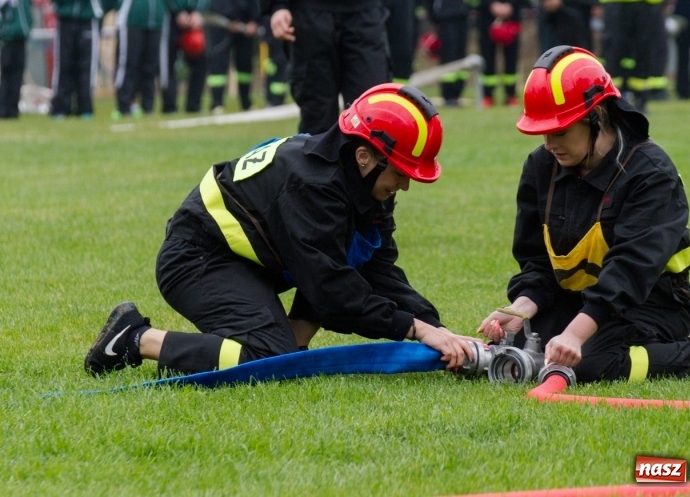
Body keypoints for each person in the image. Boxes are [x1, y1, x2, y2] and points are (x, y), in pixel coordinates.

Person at [85, 83, 477, 378]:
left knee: (336, 276)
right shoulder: (312, 186)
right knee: (269, 357)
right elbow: (330, 291)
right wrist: (413, 327)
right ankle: (134, 338)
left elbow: (377, 269)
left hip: (245, 261)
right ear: (364, 156)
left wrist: (439, 329)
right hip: (196, 259)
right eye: (401, 173)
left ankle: (271, 347)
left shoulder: (358, 181)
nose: (405, 185)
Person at [477, 46, 690, 384]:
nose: (548, 144)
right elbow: (537, 262)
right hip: (575, 298)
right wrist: (522, 308)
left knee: (589, 365)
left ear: (597, 115)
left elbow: (630, 272)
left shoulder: (651, 172)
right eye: (542, 131)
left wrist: (575, 334)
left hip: (652, 302)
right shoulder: (541, 166)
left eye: (559, 131)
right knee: (506, 352)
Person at [251, 0, 391, 135]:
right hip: (309, 7)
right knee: (317, 110)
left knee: (372, 110)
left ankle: (371, 160)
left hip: (365, 3)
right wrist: (276, 5)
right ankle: (318, 160)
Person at [46, 0, 105, 119]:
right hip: (65, 21)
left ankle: (85, 107)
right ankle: (60, 108)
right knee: (64, 64)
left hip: (87, 20)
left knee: (86, 65)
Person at [111, 0, 170, 118]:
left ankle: (148, 107)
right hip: (131, 19)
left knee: (150, 66)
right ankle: (124, 106)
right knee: (129, 64)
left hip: (155, 19)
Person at [468, 0, 528, 107]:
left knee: (512, 56)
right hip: (486, 14)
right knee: (487, 54)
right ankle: (487, 95)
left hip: (512, 14)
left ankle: (511, 95)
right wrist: (491, 4)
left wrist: (511, 5)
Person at [206, 0, 260, 114]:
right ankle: (216, 103)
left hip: (246, 25)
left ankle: (246, 103)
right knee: (219, 63)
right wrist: (230, 19)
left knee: (245, 64)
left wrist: (254, 20)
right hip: (223, 23)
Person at [417, 0, 471, 106]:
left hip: (462, 17)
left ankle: (458, 92)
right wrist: (435, 19)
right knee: (448, 55)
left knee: (461, 55)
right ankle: (448, 95)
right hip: (445, 19)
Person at [160, 0, 209, 113]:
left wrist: (198, 11)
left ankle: (193, 105)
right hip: (170, 17)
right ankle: (169, 106)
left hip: (193, 17)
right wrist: (177, 10)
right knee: (167, 62)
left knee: (202, 59)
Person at [0, 0, 33, 120]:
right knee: (7, 74)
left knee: (17, 74)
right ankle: (4, 108)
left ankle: (13, 109)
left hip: (21, 38)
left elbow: (27, 12)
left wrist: (28, 28)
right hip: (8, 39)